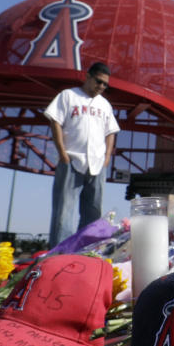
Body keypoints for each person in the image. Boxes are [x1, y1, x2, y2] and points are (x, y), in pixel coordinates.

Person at [44, 62, 121, 247]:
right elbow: (55, 121)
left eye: (105, 85)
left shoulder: (104, 104)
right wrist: (62, 152)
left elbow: (111, 131)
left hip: (96, 162)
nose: (101, 87)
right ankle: (60, 251)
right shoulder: (68, 96)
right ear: (87, 77)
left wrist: (107, 157)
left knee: (93, 211)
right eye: (98, 81)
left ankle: (86, 249)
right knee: (64, 211)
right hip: (71, 158)